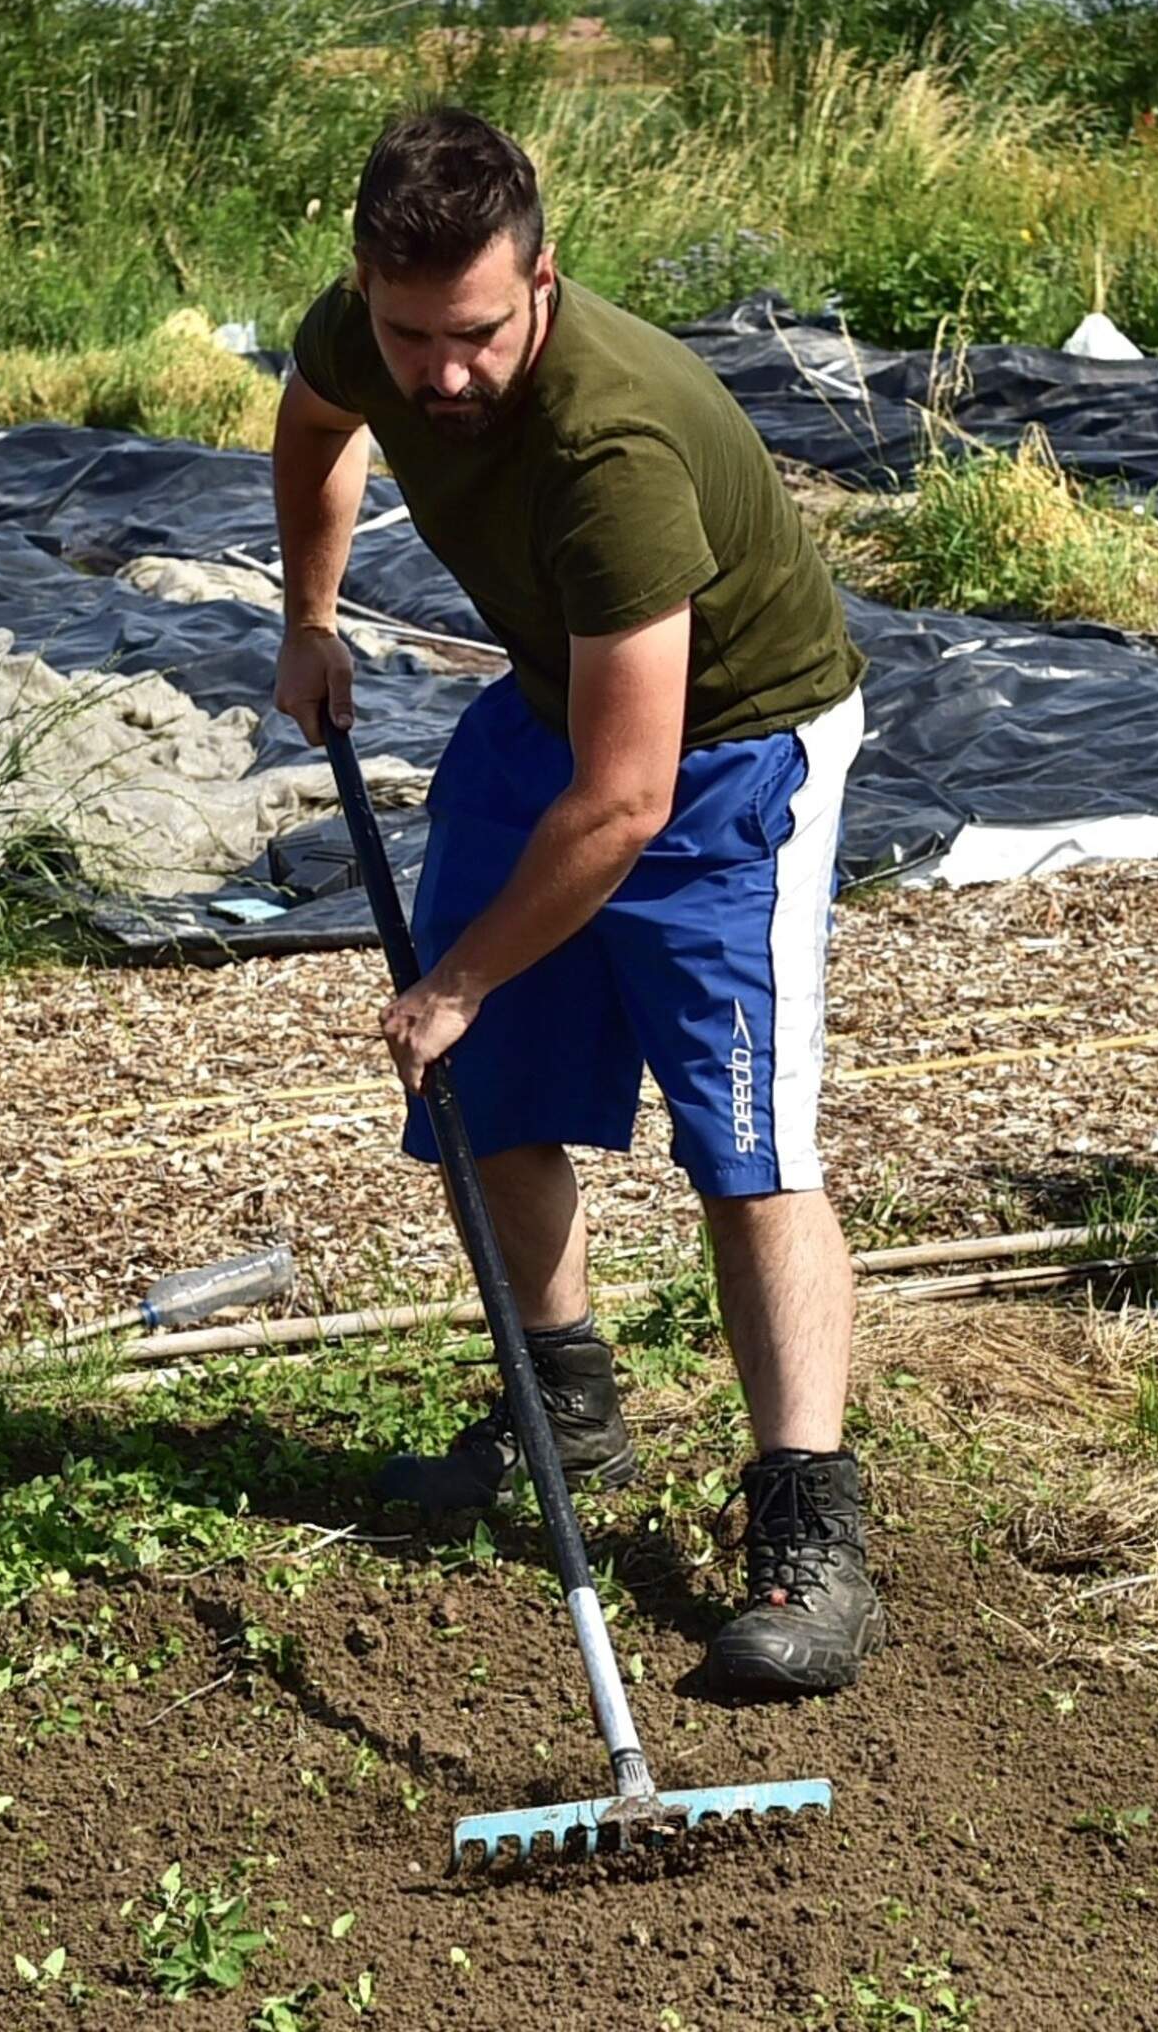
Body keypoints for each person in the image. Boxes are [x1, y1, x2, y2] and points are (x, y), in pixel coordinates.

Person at [270, 106, 881, 1696]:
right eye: (413, 335)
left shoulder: (612, 449)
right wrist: (312, 616)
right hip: (560, 705)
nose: (440, 374)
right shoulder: (373, 326)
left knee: (749, 1148)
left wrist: (458, 973)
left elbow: (628, 801)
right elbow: (314, 414)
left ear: (544, 282)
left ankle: (808, 1522)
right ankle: (562, 1403)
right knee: (491, 1086)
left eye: (474, 335)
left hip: (734, 756)